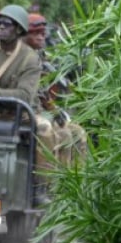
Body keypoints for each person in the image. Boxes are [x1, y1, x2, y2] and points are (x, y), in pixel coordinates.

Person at [25, 12, 88, 167]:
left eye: (42, 34)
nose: (41, 37)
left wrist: (55, 112)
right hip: (26, 112)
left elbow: (43, 94)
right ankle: (46, 183)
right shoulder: (22, 57)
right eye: (35, 34)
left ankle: (74, 179)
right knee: (62, 134)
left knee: (77, 132)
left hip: (38, 111)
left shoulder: (38, 57)